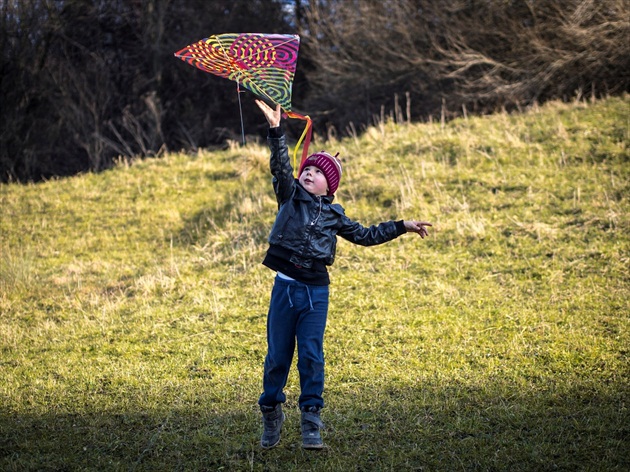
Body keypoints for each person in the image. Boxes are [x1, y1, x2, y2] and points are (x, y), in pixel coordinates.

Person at [255, 100, 432, 450]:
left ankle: (311, 422)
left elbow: (366, 235)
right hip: (285, 290)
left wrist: (401, 226)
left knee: (311, 354)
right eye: (307, 169)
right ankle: (271, 410)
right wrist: (277, 130)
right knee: (277, 356)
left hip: (315, 294)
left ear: (329, 186)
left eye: (318, 172)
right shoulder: (289, 196)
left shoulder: (335, 216)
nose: (308, 173)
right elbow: (280, 166)